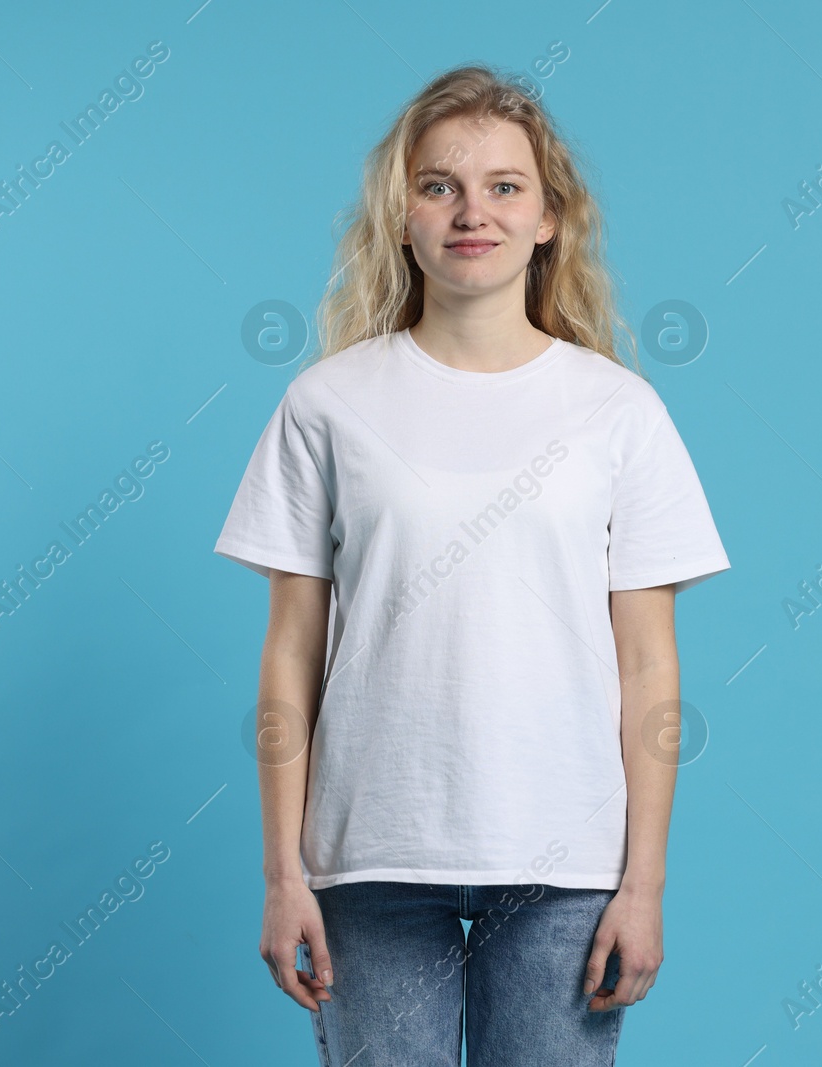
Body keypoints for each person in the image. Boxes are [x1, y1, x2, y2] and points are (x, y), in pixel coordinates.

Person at [214, 62, 730, 1066]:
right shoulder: (328, 404)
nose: (470, 211)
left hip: (566, 860)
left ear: (549, 219)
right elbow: (288, 656)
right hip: (367, 852)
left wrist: (644, 883)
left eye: (503, 186)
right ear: (399, 215)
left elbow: (649, 667)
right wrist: (285, 873)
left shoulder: (618, 412)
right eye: (438, 184)